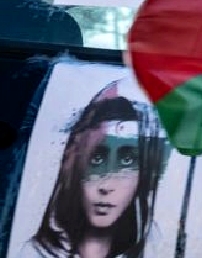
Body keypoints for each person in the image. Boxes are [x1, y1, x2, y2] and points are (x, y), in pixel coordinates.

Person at [21, 80, 168, 258]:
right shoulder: (35, 253)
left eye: (127, 160)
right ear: (75, 165)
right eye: (96, 159)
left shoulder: (158, 249)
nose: (106, 186)